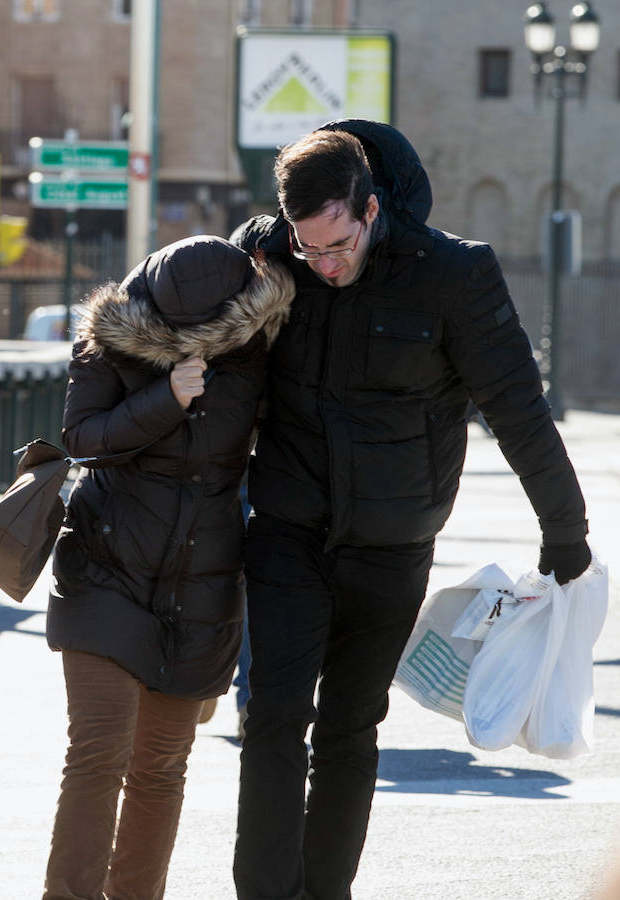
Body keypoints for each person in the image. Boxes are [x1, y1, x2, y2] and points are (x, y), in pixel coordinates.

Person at [229, 119, 592, 900]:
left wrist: (565, 527)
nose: (325, 265)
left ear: (371, 208)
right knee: (272, 716)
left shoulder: (452, 274)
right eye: (309, 249)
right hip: (288, 531)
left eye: (338, 245)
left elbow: (518, 408)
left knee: (349, 728)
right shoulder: (267, 254)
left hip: (391, 545)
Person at [42, 234, 293, 900]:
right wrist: (166, 398)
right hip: (106, 571)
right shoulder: (109, 338)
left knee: (159, 768)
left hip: (202, 587)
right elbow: (81, 440)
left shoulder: (261, 346)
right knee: (98, 753)